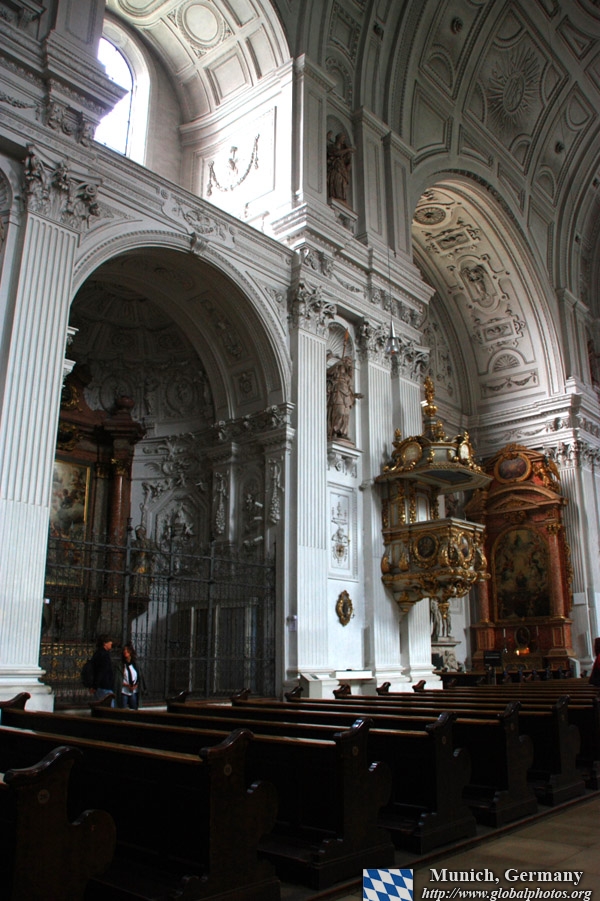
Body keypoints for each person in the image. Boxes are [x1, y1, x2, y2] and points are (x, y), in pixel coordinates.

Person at [90, 634, 115, 705]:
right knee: (108, 706)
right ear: (105, 643)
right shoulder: (104, 655)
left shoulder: (98, 653)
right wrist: (95, 685)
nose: (111, 643)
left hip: (101, 686)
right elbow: (101, 671)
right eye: (109, 641)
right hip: (104, 686)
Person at [118, 642, 144, 709]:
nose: (125, 652)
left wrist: (136, 685)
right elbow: (118, 679)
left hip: (133, 691)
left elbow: (139, 677)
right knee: (123, 708)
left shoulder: (135, 665)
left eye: (127, 650)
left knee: (134, 708)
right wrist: (127, 685)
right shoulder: (121, 665)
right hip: (124, 691)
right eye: (124, 650)